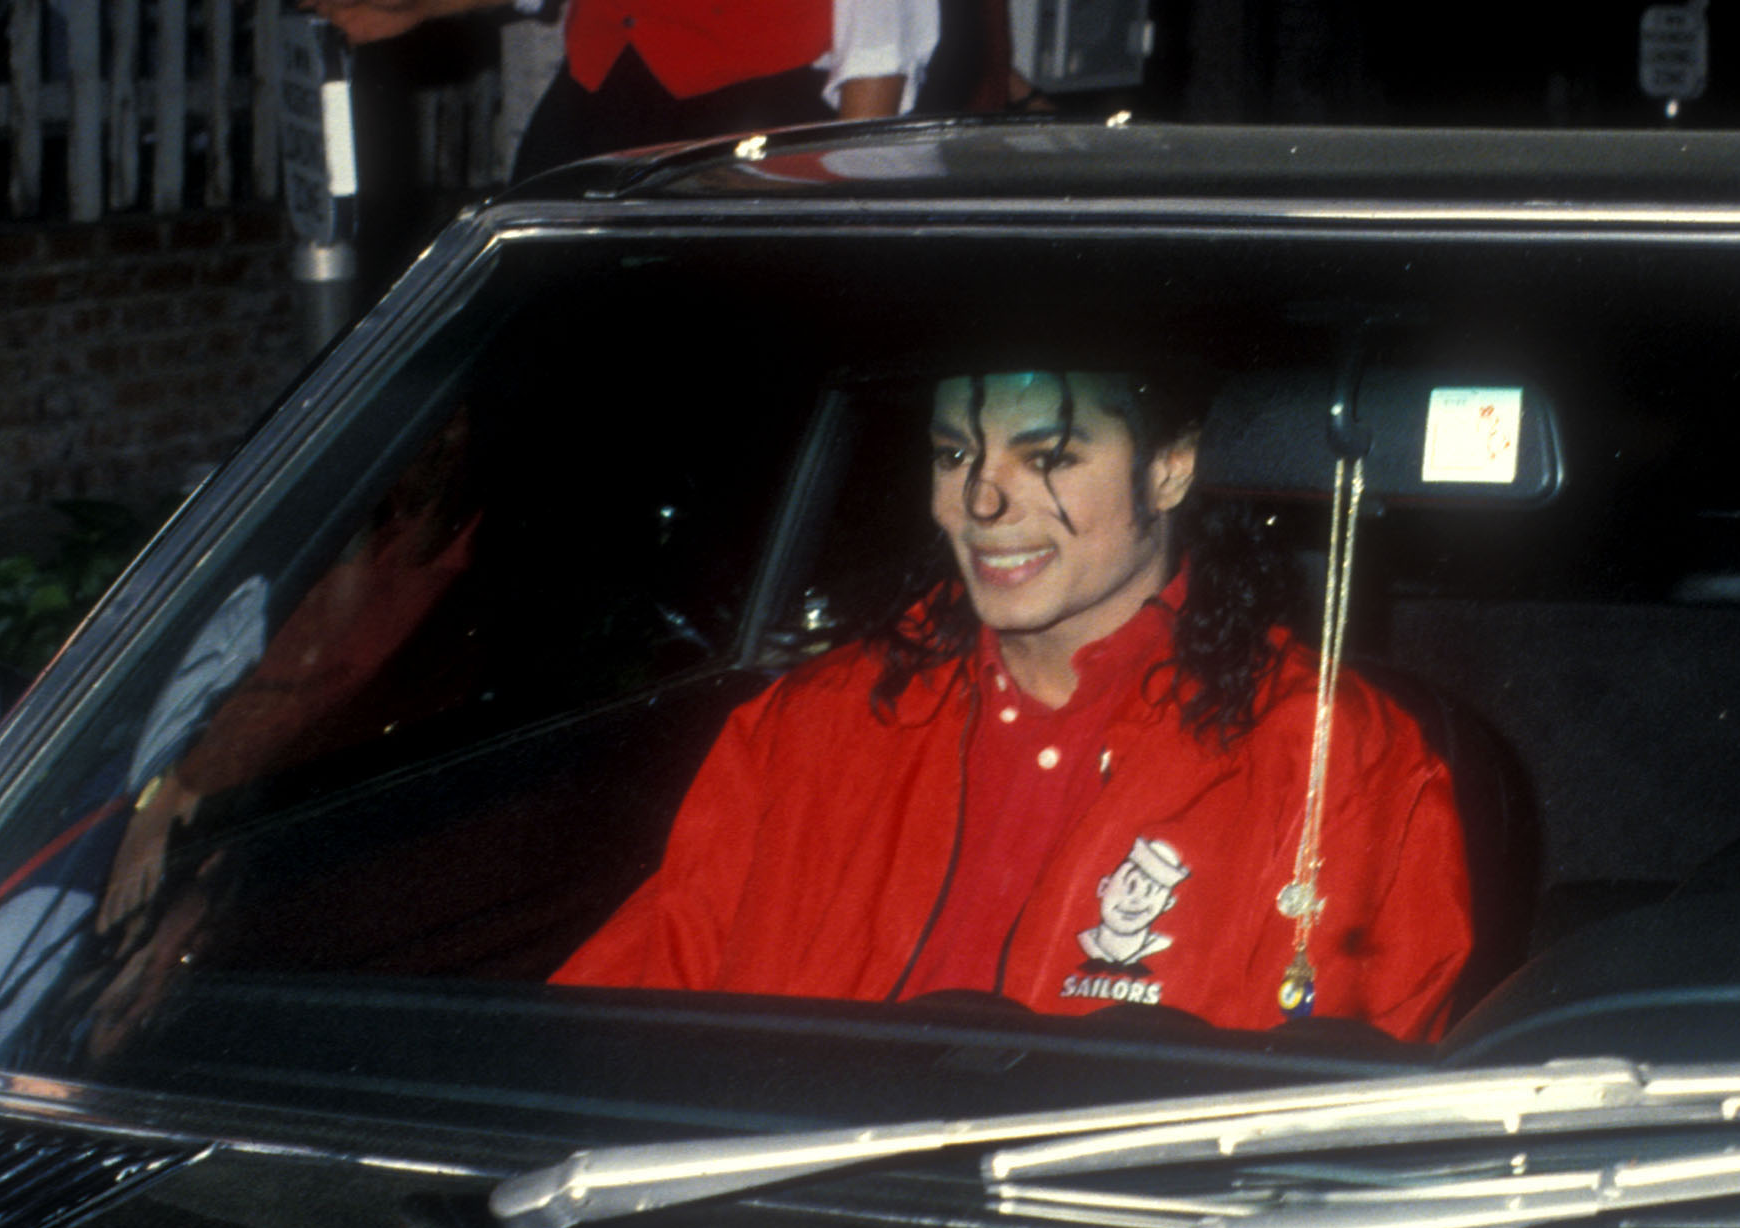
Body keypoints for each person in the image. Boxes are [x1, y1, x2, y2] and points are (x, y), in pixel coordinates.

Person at [552, 367, 1475, 1041]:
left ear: (1170, 469)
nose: (982, 498)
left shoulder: (1331, 759)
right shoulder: (809, 729)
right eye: (955, 453)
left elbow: (1336, 1141)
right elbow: (600, 1042)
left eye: (1051, 456)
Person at [305, 0, 1029, 179]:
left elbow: (880, 47)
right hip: (593, 110)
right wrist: (410, 8)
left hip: (750, 129)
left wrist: (840, 207)